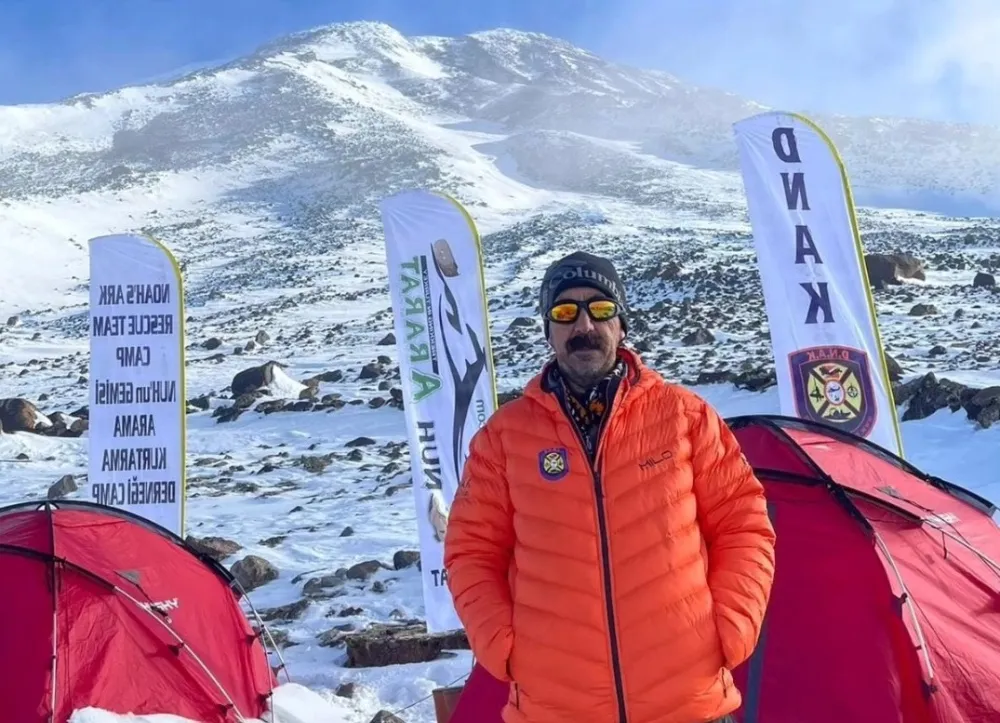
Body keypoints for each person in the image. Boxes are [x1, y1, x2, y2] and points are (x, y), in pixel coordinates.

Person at [443, 250, 777, 723]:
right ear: (549, 330)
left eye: (600, 309)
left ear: (621, 325)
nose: (584, 324)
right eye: (565, 312)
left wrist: (731, 626)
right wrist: (504, 648)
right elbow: (470, 551)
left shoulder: (685, 416)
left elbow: (744, 525)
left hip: (688, 702)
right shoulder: (504, 438)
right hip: (557, 707)